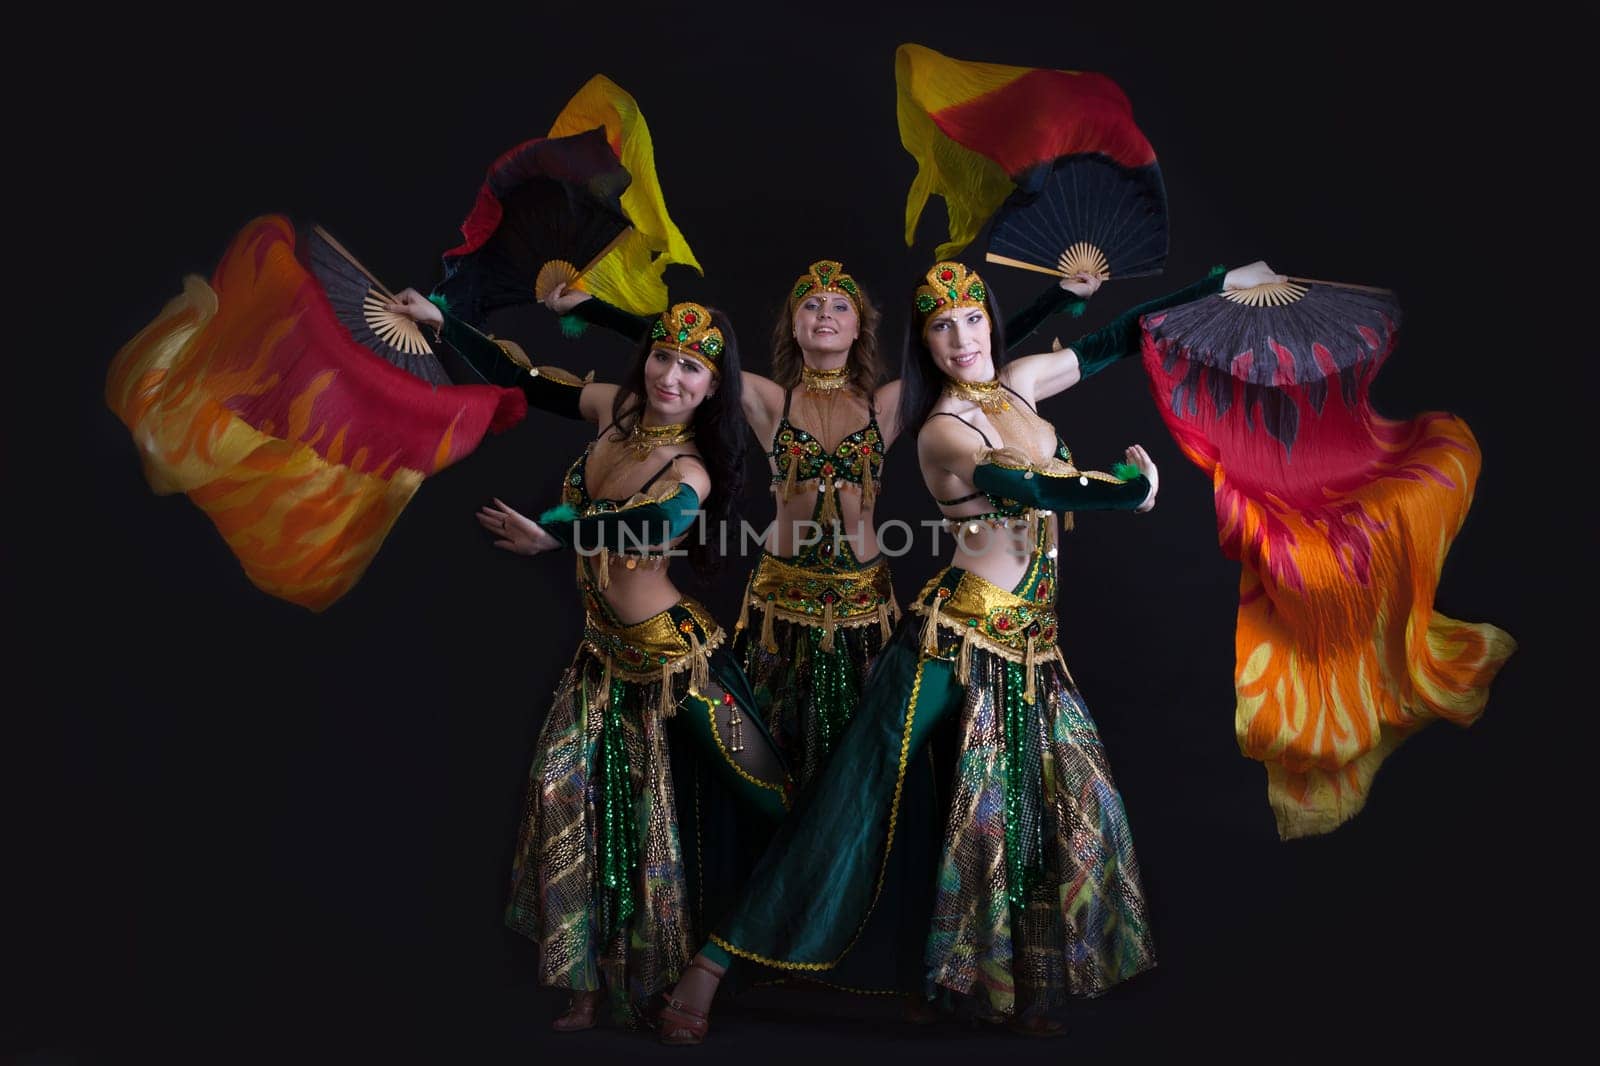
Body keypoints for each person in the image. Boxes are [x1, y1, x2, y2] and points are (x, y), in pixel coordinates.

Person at [651, 258, 1281, 1042]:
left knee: (1018, 808)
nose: (960, 336)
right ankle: (710, 967)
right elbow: (1028, 490)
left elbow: (1124, 335)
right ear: (924, 342)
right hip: (952, 637)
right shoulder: (946, 424)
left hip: (1032, 643)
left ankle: (997, 986)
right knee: (856, 796)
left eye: (971, 317)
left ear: (990, 317)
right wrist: (1126, 491)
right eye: (940, 326)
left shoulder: (1023, 380)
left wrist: (1217, 281)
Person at [386, 288, 794, 1032]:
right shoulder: (618, 412)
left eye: (692, 370)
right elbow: (529, 381)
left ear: (712, 389)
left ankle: (712, 967)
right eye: (663, 358)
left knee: (771, 804)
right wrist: (447, 326)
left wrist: (555, 534)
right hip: (602, 657)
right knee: (564, 799)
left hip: (679, 666)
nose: (671, 377)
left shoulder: (691, 466)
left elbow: (651, 520)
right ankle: (588, 982)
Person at [544, 261, 1100, 791]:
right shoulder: (768, 400)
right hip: (777, 613)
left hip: (865, 611)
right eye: (811, 304)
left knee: (864, 765)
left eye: (840, 305)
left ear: (860, 327)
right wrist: (592, 309)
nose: (826, 313)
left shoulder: (889, 403)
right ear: (794, 324)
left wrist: (1057, 299)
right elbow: (687, 344)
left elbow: (970, 354)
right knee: (772, 760)